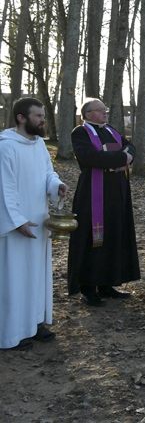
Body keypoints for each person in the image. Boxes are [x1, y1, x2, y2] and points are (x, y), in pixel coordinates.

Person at [0, 98, 67, 350]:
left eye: (42, 115)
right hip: (15, 226)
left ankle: (33, 322)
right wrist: (17, 221)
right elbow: (3, 188)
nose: (43, 120)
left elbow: (48, 173)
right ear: (21, 118)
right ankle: (10, 332)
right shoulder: (6, 147)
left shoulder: (39, 144)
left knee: (36, 275)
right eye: (38, 116)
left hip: (38, 221)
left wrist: (56, 185)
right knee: (13, 277)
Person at [69, 99, 140, 307]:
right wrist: (122, 158)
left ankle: (107, 284)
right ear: (88, 114)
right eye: (100, 110)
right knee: (92, 239)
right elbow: (92, 157)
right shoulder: (80, 133)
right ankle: (88, 288)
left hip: (117, 193)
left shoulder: (110, 130)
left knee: (113, 235)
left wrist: (127, 157)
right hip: (93, 194)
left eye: (105, 109)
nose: (105, 113)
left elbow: (131, 147)